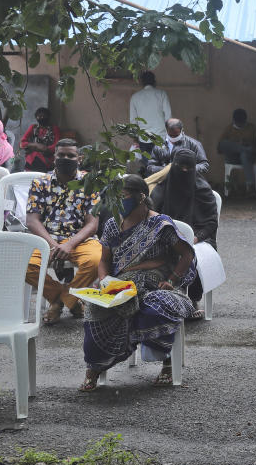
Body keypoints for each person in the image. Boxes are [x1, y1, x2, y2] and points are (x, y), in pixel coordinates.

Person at [79, 175, 198, 391]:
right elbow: (104, 260)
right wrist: (104, 279)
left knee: (154, 308)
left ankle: (167, 362)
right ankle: (95, 367)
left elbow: (187, 254)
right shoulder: (113, 226)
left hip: (156, 284)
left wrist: (172, 280)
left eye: (122, 197)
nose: (118, 202)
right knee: (94, 308)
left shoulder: (160, 225)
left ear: (141, 196)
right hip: (121, 285)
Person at [24, 139, 102, 324]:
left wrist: (69, 244)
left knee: (96, 261)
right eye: (61, 155)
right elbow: (32, 221)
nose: (66, 158)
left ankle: (60, 302)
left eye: (71, 156)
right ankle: (70, 301)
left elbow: (93, 224)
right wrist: (53, 245)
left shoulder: (90, 183)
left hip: (80, 239)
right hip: (46, 239)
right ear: (54, 158)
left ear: (79, 159)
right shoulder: (40, 183)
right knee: (24, 266)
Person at [150, 148, 219, 315]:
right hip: (166, 235)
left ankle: (192, 300)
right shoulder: (163, 187)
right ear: (173, 166)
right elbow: (151, 213)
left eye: (189, 167)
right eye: (181, 167)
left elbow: (211, 223)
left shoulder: (202, 189)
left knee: (192, 254)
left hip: (198, 237)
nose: (185, 171)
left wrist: (195, 238)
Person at [216, 108, 256, 194]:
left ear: (245, 120)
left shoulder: (252, 128)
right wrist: (236, 145)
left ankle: (250, 188)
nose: (240, 125)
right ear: (234, 121)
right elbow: (220, 148)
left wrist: (247, 143)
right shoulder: (229, 129)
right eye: (238, 123)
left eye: (242, 123)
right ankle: (245, 149)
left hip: (248, 158)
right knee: (224, 143)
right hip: (233, 158)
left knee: (244, 154)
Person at [146, 118, 210, 176]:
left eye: (176, 135)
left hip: (187, 181)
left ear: (182, 130)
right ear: (166, 130)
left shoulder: (194, 144)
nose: (173, 138)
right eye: (171, 135)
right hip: (165, 183)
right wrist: (167, 169)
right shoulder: (159, 145)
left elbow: (204, 165)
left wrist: (187, 170)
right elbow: (151, 167)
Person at [129, 71, 171, 156]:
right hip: (160, 137)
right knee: (161, 166)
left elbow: (133, 121)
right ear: (154, 81)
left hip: (144, 139)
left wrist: (135, 139)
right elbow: (168, 117)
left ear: (142, 82)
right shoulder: (162, 94)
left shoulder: (135, 97)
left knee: (148, 166)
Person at [19, 107, 61, 172]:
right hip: (33, 156)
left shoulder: (54, 129)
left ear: (48, 117)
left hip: (48, 157)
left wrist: (45, 148)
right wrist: (35, 145)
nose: (42, 118)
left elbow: (57, 145)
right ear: (36, 117)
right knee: (32, 157)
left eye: (44, 116)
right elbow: (22, 143)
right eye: (39, 116)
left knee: (35, 159)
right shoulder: (33, 127)